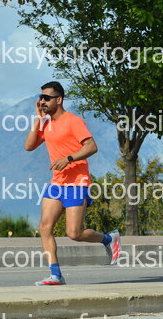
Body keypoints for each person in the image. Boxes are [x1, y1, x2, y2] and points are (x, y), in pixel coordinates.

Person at [24, 81, 120, 286]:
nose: (42, 101)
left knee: (74, 233)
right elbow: (29, 146)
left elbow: (91, 146)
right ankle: (55, 275)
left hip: (77, 182)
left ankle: (108, 239)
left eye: (46, 98)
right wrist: (38, 120)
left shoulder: (73, 121)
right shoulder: (46, 124)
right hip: (57, 183)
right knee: (44, 227)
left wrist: (68, 159)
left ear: (58, 100)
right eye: (40, 97)